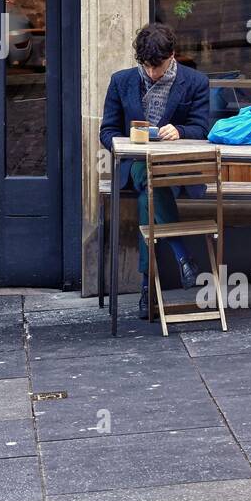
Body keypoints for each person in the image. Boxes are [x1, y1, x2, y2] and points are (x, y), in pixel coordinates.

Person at [99, 22, 211, 318]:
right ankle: (182, 257)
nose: (151, 73)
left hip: (177, 169)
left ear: (172, 55)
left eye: (157, 67)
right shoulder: (121, 81)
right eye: (146, 67)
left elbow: (203, 129)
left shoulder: (195, 82)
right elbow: (107, 130)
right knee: (148, 181)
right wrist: (126, 144)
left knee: (148, 195)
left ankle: (148, 289)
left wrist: (181, 130)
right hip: (136, 165)